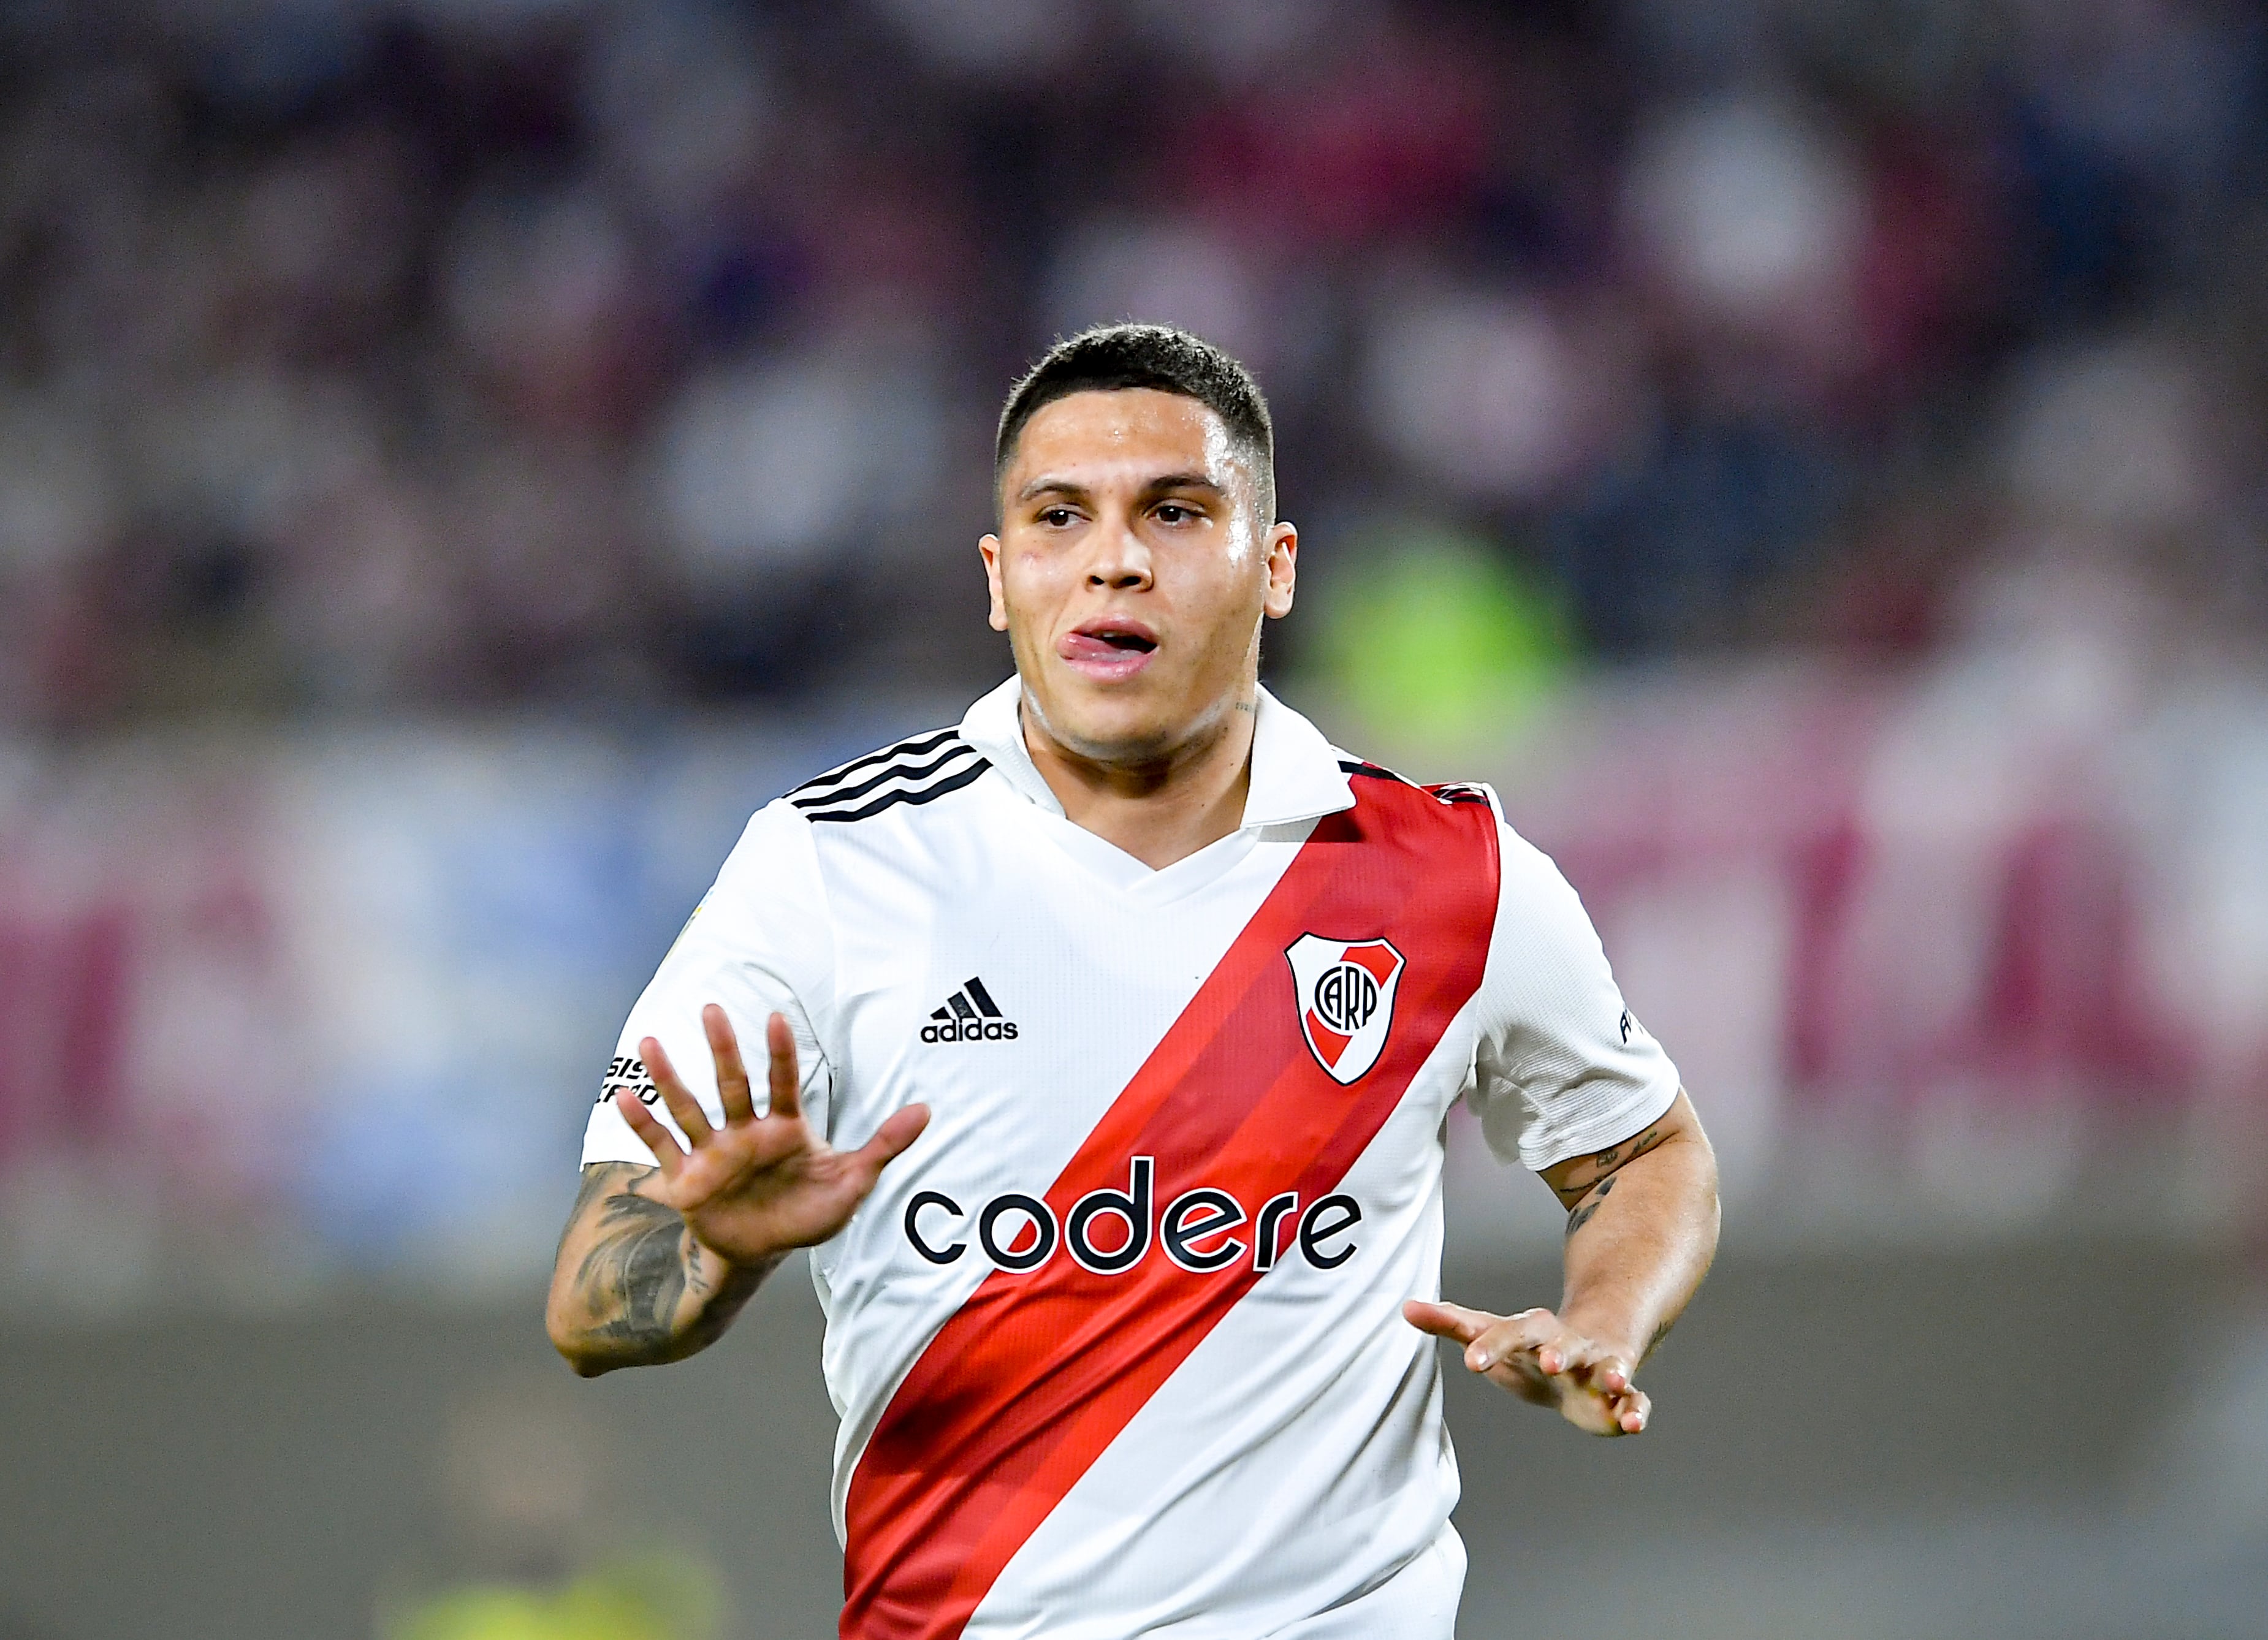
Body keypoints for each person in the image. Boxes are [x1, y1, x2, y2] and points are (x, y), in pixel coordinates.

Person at [545, 324, 1719, 1639]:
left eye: (1173, 510)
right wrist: (712, 1245)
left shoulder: (1451, 872)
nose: (1113, 558)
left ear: (1273, 568)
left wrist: (1602, 1322)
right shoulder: (829, 867)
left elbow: (1645, 1150)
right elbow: (593, 1300)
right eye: (1059, 517)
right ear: (999, 579)